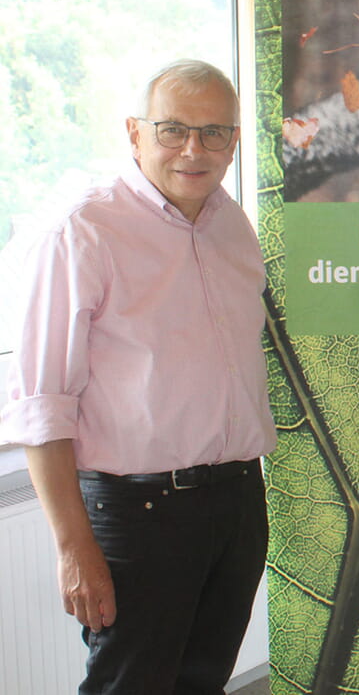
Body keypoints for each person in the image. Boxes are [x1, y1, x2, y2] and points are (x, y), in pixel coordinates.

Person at [0, 60, 277, 694]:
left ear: (234, 139)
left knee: (201, 683)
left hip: (235, 503)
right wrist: (73, 548)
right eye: (173, 128)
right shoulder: (82, 231)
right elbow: (43, 403)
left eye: (214, 132)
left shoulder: (232, 226)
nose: (193, 149)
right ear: (134, 133)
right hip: (139, 511)